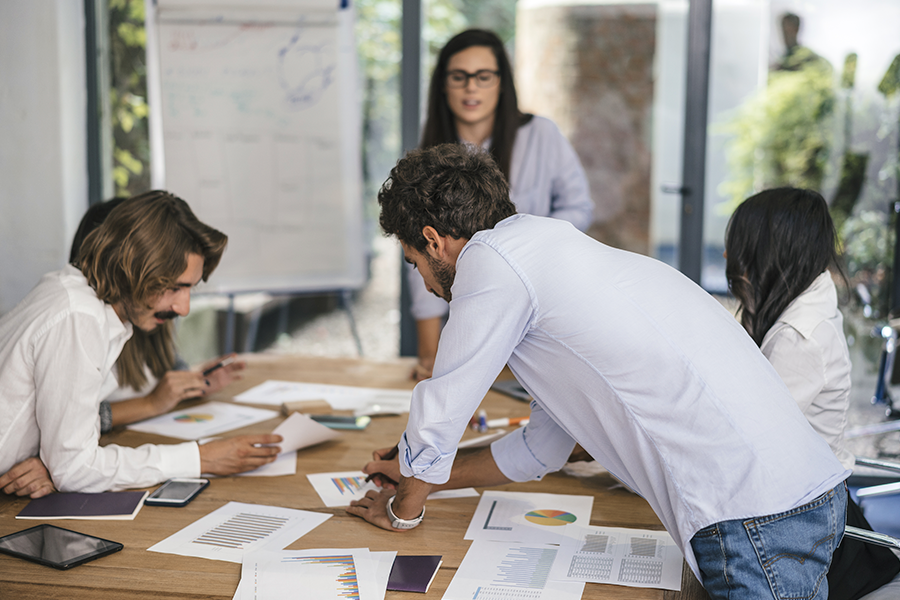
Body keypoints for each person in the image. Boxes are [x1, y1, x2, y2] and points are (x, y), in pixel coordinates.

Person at [348, 144, 848, 599]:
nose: (427, 284)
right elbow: (541, 447)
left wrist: (401, 511)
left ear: (434, 241)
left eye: (414, 262)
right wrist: (425, 480)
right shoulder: (550, 253)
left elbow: (442, 408)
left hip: (752, 517)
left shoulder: (488, 261)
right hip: (808, 495)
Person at [0, 191, 281, 496]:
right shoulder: (78, 317)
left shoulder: (72, 295)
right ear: (132, 268)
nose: (183, 308)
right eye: (174, 287)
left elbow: (69, 456)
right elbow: (76, 470)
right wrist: (202, 457)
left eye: (190, 289)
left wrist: (56, 462)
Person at [725, 187, 900, 600]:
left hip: (806, 524)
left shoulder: (800, 337)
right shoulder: (806, 305)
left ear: (768, 253)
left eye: (740, 251)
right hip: (816, 501)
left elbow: (744, 440)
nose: (734, 263)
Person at [408, 29, 593, 381]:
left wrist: (525, 244)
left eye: (483, 77)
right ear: (443, 85)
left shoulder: (541, 134)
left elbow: (579, 208)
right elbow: (420, 250)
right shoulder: (431, 147)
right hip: (462, 305)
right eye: (459, 77)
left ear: (502, 83)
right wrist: (429, 352)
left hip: (536, 298)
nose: (471, 88)